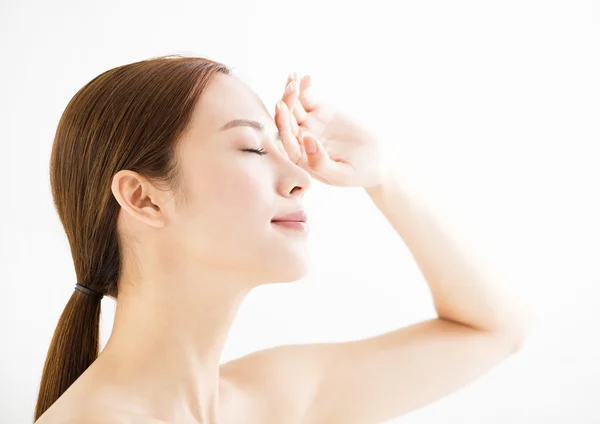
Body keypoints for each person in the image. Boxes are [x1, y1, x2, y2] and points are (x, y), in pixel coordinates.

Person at [34, 55, 532, 424]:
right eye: (252, 147)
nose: (301, 176)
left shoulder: (272, 400)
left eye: (284, 145)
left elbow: (494, 330)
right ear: (142, 198)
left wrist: (385, 176)